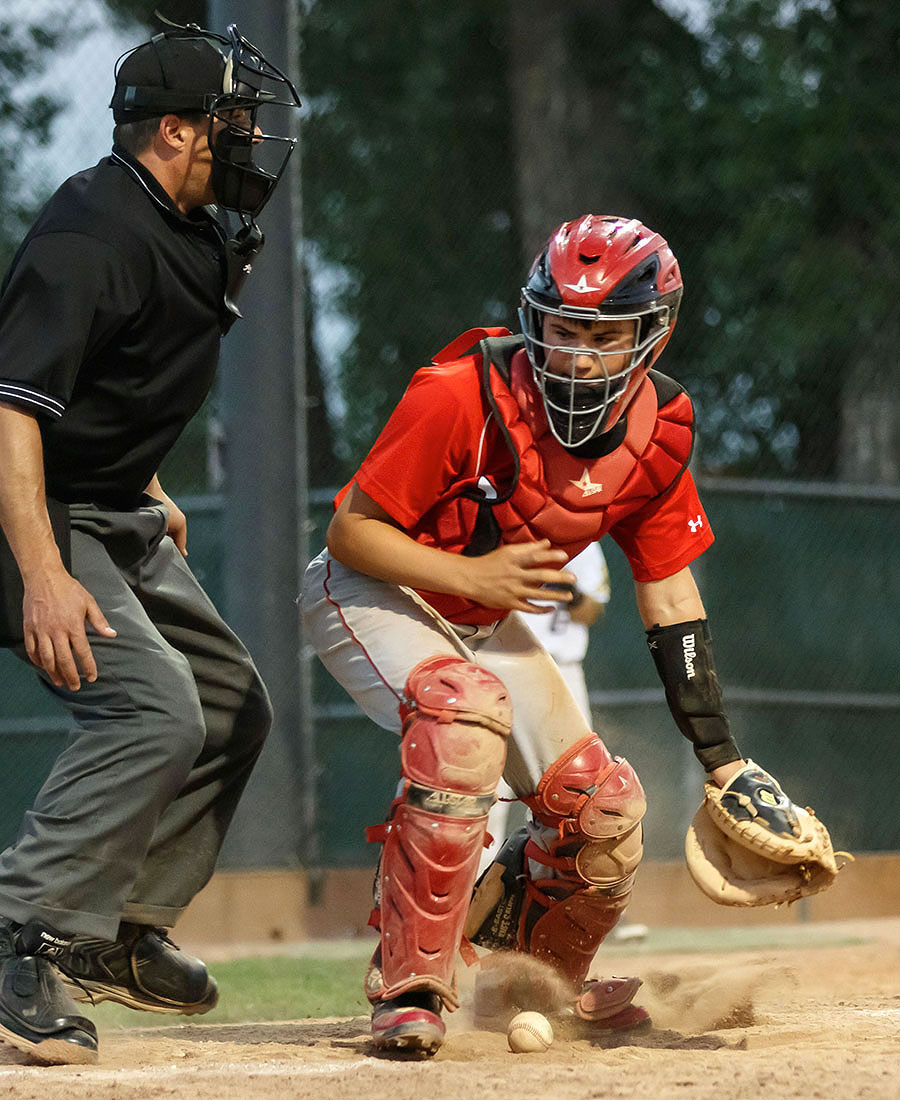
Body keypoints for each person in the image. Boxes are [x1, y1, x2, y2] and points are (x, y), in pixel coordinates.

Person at [300, 214, 807, 1057]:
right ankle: (411, 987)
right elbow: (351, 532)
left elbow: (671, 594)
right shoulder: (461, 390)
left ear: (655, 335)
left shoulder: (665, 428)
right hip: (366, 588)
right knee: (464, 716)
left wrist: (722, 758)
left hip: (477, 610)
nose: (574, 354)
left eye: (602, 336)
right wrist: (475, 579)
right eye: (562, 328)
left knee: (603, 810)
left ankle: (529, 987)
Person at [0, 21, 301, 1065]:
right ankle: (18, 930)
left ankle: (115, 929)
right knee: (153, 705)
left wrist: (153, 482)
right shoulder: (88, 228)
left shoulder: (192, 227)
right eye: (231, 121)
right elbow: (16, 405)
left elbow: (122, 379)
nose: (251, 138)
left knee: (228, 704)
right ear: (173, 131)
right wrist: (40, 573)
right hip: (32, 513)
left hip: (112, 504)